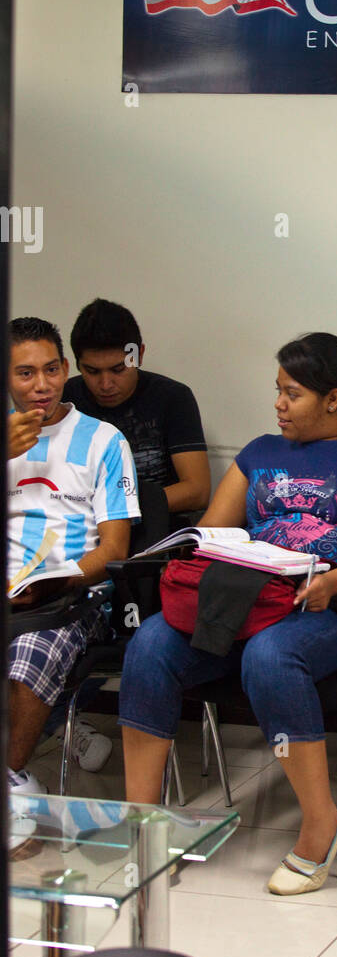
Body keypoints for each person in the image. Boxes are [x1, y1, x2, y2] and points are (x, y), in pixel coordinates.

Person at [118, 332, 337, 895]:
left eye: (292, 394)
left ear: (333, 398)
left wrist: (331, 580)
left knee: (270, 654)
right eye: (278, 391)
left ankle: (320, 824)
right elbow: (215, 526)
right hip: (243, 598)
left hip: (329, 606)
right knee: (150, 646)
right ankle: (145, 826)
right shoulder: (260, 451)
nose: (278, 405)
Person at [6, 317, 140, 796]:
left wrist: (57, 582)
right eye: (25, 373)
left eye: (51, 369)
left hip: (72, 596)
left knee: (29, 651)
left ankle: (13, 774)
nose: (41, 385)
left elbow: (114, 551)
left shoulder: (104, 441)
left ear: (65, 369)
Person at [64, 298, 210, 518]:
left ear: (138, 355)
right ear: (76, 364)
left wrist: (116, 509)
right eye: (92, 371)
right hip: (80, 526)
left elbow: (197, 491)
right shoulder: (64, 399)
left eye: (118, 369)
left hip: (152, 526)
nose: (106, 384)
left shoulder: (172, 397)